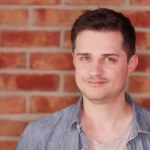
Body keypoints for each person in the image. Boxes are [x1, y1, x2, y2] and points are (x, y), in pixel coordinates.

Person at [17, 8, 150, 150]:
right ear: (74, 61)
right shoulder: (39, 136)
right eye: (86, 58)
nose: (95, 71)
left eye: (109, 59)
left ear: (131, 64)